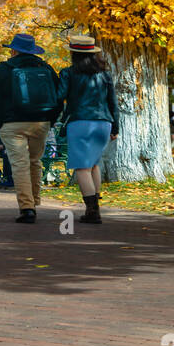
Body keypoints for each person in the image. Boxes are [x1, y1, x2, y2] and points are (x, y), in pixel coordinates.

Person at [0, 32, 60, 223]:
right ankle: (35, 201)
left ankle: (27, 208)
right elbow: (58, 95)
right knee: (35, 161)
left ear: (13, 50)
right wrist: (51, 119)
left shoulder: (3, 69)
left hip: (12, 123)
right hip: (41, 121)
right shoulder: (45, 67)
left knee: (19, 164)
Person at [55, 34, 119, 224]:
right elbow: (113, 103)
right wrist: (116, 127)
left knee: (82, 168)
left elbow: (59, 96)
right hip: (104, 123)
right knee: (93, 165)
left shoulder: (68, 73)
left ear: (74, 54)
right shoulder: (105, 74)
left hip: (80, 122)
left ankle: (92, 211)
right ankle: (95, 206)